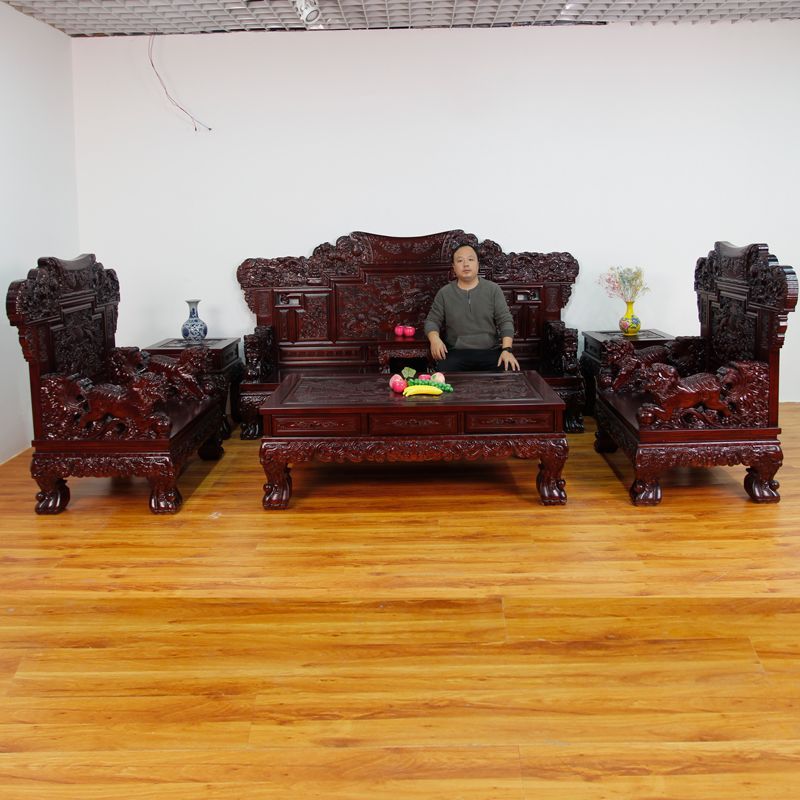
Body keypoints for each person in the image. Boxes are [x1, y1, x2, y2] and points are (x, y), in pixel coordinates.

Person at [424, 244, 521, 372]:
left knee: (509, 371)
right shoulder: (445, 293)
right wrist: (435, 340)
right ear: (453, 267)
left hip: (490, 351)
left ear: (477, 264)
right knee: (442, 376)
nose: (466, 264)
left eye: (470, 259)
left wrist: (507, 350)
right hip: (456, 352)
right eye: (460, 260)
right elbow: (432, 321)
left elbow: (505, 321)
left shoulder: (493, 289)